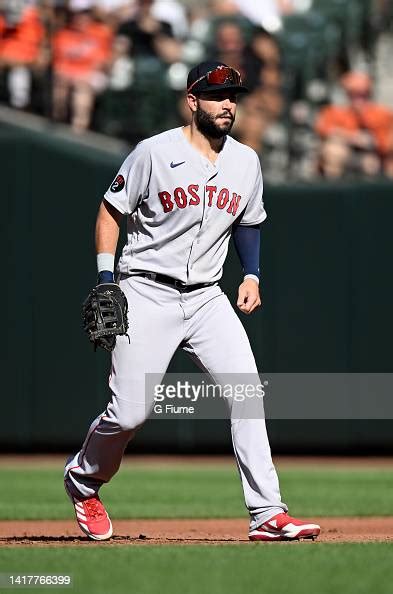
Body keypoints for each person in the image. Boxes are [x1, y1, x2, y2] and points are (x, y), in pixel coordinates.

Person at [64, 60, 320, 542]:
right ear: (193, 100)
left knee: (247, 393)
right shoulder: (153, 153)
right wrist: (105, 279)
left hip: (207, 297)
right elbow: (110, 210)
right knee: (129, 414)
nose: (227, 104)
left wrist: (253, 275)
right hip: (145, 288)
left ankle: (267, 513)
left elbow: (249, 221)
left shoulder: (246, 161)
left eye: (233, 96)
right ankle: (83, 479)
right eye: (217, 95)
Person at [315, 71, 393, 178]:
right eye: (353, 94)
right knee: (333, 150)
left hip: (375, 159)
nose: (358, 99)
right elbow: (323, 129)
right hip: (348, 157)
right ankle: (333, 190)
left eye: (362, 94)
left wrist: (372, 143)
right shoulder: (336, 113)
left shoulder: (382, 114)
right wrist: (352, 137)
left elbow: (386, 144)